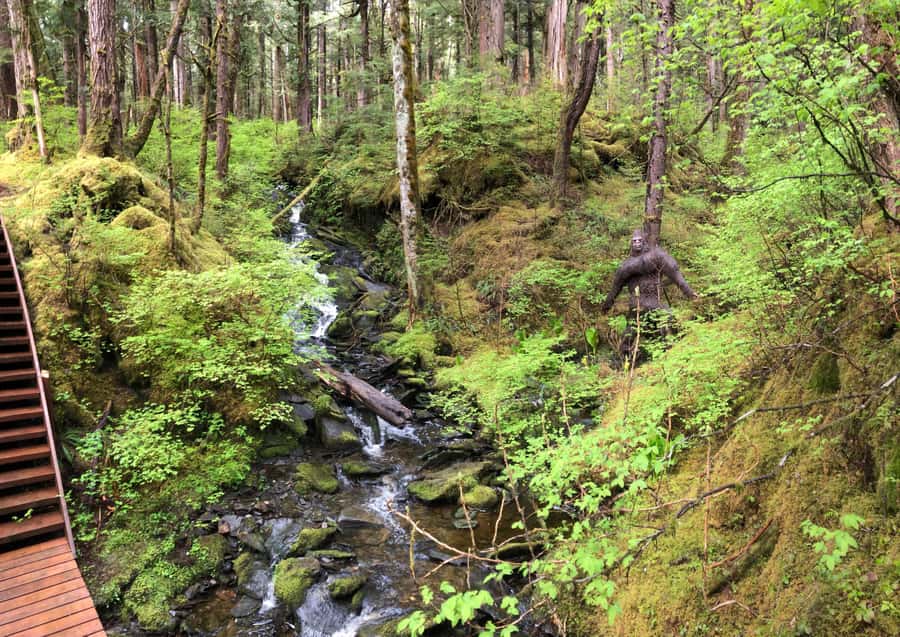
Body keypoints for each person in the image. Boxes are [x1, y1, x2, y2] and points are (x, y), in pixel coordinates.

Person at [600, 229, 698, 358]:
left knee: (655, 325)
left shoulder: (647, 260)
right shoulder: (631, 265)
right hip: (642, 304)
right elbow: (615, 289)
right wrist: (606, 306)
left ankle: (665, 354)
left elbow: (675, 275)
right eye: (634, 241)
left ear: (644, 242)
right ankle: (625, 361)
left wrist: (690, 293)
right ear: (631, 244)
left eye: (639, 241)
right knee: (642, 327)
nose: (637, 244)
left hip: (645, 304)